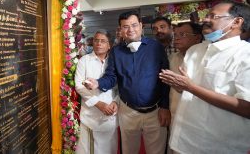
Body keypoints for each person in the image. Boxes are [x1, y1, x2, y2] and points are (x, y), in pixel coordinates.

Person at [160, 1, 250, 154]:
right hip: (182, 139)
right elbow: (184, 91)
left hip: (216, 145)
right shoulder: (195, 50)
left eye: (213, 16)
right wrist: (178, 84)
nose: (205, 20)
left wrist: (191, 87)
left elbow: (247, 108)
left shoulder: (245, 55)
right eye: (206, 15)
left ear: (236, 22)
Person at [84, 11, 170, 154]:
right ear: (120, 29)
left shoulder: (156, 48)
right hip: (128, 112)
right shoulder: (116, 52)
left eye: (134, 25)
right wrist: (98, 83)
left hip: (155, 112)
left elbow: (166, 79)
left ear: (141, 26)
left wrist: (165, 106)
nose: (130, 30)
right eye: (125, 26)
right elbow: (111, 77)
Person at [75, 29, 119, 154]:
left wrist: (116, 102)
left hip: (111, 115)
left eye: (103, 41)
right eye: (96, 40)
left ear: (109, 45)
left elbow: (119, 86)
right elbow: (79, 86)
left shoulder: (114, 61)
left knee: (110, 149)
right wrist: (99, 104)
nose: (99, 44)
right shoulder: (84, 60)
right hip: (90, 117)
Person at [167, 22, 202, 154]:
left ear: (197, 38)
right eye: (175, 35)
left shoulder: (204, 60)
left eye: (183, 34)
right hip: (174, 115)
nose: (177, 38)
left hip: (195, 120)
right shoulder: (172, 58)